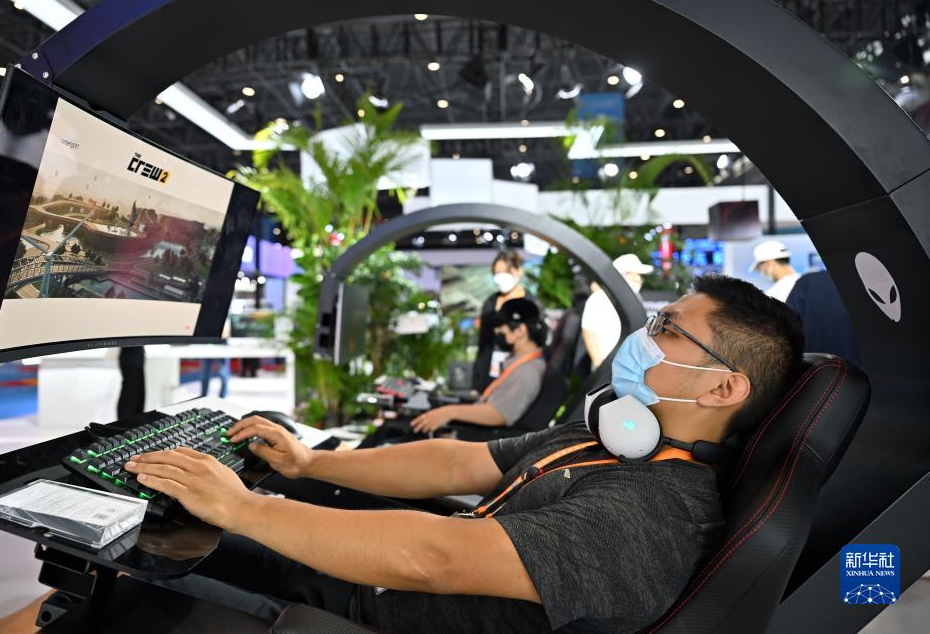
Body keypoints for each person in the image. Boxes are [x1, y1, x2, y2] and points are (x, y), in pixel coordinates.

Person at [107, 274, 802, 632]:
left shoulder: (653, 516)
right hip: (368, 592)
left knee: (123, 596)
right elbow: (454, 463)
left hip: (371, 624)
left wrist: (244, 506)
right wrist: (310, 463)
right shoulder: (603, 438)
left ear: (722, 388)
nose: (643, 336)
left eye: (667, 329)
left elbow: (435, 558)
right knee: (143, 543)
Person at [410, 298, 547, 433]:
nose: (497, 331)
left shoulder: (527, 371)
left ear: (520, 331)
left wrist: (449, 413)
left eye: (501, 326)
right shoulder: (521, 363)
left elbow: (499, 414)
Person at [471, 249, 534, 393]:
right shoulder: (490, 303)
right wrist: (476, 384)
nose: (500, 278)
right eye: (496, 273)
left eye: (505, 272)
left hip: (519, 374)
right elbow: (483, 346)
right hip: (490, 376)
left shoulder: (530, 303)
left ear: (518, 270)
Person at [581, 253, 653, 370]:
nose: (639, 279)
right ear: (621, 276)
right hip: (608, 367)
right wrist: (600, 367)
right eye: (635, 275)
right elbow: (588, 333)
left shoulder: (636, 299)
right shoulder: (599, 298)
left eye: (639, 276)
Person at [785, 269, 861, 366]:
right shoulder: (869, 287)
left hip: (811, 370)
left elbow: (784, 331)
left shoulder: (807, 282)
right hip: (858, 371)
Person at [116, 346, 146, 420]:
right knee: (130, 395)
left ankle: (135, 424)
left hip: (138, 357)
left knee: (139, 397)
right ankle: (124, 423)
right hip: (131, 358)